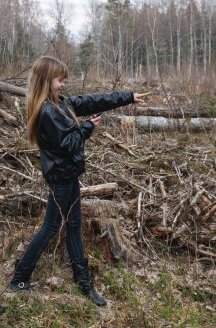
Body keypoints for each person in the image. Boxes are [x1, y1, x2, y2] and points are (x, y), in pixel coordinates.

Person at [9, 56, 150, 306]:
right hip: (61, 180)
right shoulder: (47, 111)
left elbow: (91, 100)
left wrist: (127, 96)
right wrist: (86, 128)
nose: (63, 85)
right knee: (51, 228)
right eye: (59, 80)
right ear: (46, 79)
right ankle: (19, 278)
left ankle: (83, 282)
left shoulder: (59, 103)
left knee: (73, 227)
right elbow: (68, 145)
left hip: (68, 176)